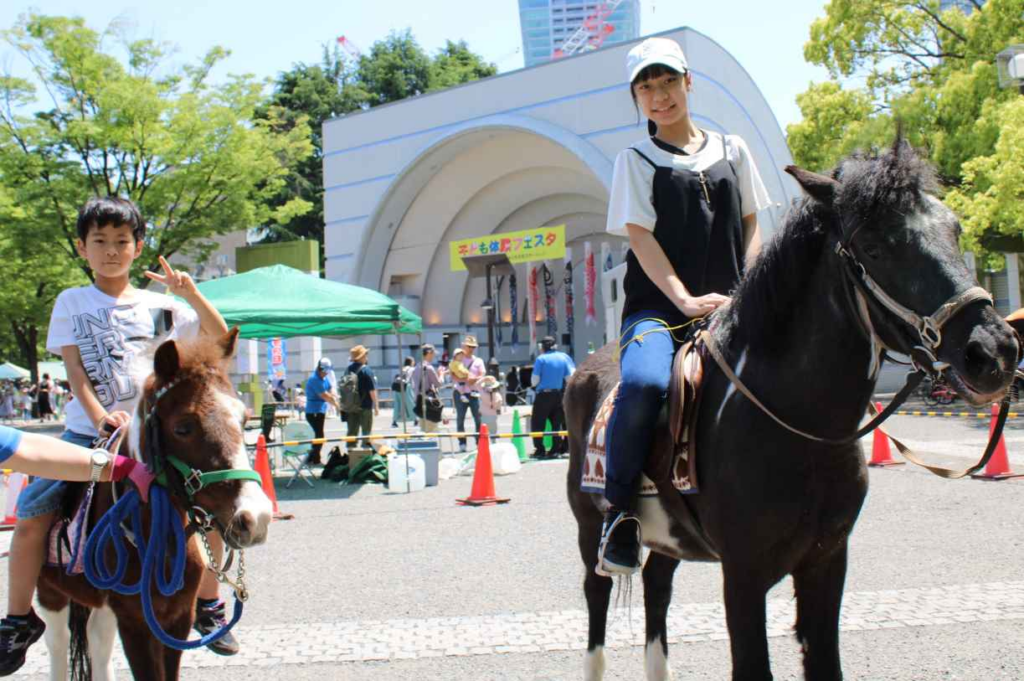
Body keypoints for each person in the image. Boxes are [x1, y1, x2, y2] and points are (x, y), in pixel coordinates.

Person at [0, 197, 238, 675]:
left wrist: (191, 293)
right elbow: (76, 371)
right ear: (82, 248)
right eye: (100, 242)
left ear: (138, 247)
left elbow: (219, 338)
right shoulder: (72, 302)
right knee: (31, 514)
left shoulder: (161, 306)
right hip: (86, 433)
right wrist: (100, 416)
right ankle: (19, 618)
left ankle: (209, 600)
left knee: (207, 501)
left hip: (156, 434)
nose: (111, 251)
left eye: (122, 242)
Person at [598, 37, 769, 576]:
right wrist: (686, 300)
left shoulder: (733, 149)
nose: (659, 95)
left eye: (668, 81)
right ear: (636, 99)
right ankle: (620, 514)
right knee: (646, 384)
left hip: (735, 306)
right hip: (659, 313)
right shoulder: (635, 160)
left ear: (688, 83)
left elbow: (751, 223)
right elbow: (640, 240)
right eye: (646, 87)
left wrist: (751, 291)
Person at [530, 336, 576, 459]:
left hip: (543, 395)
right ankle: (555, 450)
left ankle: (540, 450)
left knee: (538, 423)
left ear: (543, 347)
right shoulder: (563, 357)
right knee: (557, 424)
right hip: (559, 394)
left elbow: (534, 381)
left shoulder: (541, 359)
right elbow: (569, 378)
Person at [451, 336, 485, 452]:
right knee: (460, 419)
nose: (471, 349)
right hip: (460, 392)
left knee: (478, 419)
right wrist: (466, 380)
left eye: (473, 347)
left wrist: (474, 379)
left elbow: (482, 374)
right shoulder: (457, 360)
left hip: (474, 392)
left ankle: (478, 442)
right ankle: (462, 443)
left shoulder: (478, 361)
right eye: (469, 346)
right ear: (463, 346)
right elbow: (453, 375)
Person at [304, 357, 339, 466]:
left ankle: (311, 457)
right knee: (319, 436)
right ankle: (315, 458)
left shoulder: (323, 378)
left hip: (320, 410)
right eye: (325, 371)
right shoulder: (314, 379)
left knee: (318, 435)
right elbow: (324, 395)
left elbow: (330, 388)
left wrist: (335, 394)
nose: (326, 374)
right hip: (313, 411)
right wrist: (337, 405)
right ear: (320, 369)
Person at [345, 345, 379, 448]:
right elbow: (372, 390)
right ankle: (365, 454)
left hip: (351, 407)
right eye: (365, 355)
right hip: (365, 406)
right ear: (361, 357)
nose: (366, 357)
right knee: (366, 434)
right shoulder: (366, 370)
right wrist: (376, 406)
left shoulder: (348, 370)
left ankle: (352, 457)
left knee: (351, 433)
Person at [411, 344, 443, 433]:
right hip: (429, 404)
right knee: (432, 431)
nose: (434, 356)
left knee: (423, 429)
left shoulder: (416, 367)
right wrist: (441, 374)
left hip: (419, 402)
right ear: (428, 353)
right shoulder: (429, 368)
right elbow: (438, 384)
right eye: (433, 353)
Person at [391, 357, 417, 429]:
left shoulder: (402, 368)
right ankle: (415, 419)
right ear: (411, 362)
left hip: (397, 387)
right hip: (406, 387)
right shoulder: (411, 369)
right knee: (410, 403)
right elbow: (413, 379)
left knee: (397, 404)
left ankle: (394, 421)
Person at [478, 375, 504, 441]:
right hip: (493, 416)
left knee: (484, 435)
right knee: (493, 434)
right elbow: (499, 406)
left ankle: (484, 447)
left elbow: (477, 385)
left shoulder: (483, 394)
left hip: (483, 416)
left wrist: (484, 379)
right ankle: (493, 446)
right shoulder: (497, 395)